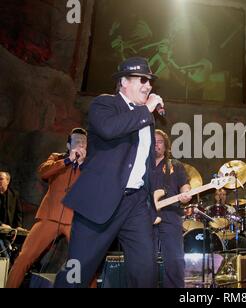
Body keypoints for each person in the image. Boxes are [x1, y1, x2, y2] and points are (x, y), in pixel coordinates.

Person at [54, 57, 164, 288]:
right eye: (142, 79)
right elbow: (109, 129)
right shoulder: (104, 104)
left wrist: (150, 206)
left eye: (150, 81)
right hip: (101, 200)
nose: (148, 86)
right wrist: (147, 110)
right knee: (77, 271)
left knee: (146, 270)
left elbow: (145, 164)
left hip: (135, 204)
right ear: (124, 81)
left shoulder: (146, 118)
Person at [5, 128, 87, 288]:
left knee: (85, 262)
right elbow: (43, 172)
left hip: (75, 221)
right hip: (50, 217)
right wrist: (67, 161)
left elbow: (96, 186)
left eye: (84, 142)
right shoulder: (57, 158)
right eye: (77, 141)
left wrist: (83, 165)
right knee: (24, 258)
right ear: (69, 145)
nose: (81, 145)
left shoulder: (90, 166)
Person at [152, 129, 191, 288]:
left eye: (159, 141)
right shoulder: (141, 165)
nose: (156, 144)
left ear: (166, 145)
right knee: (144, 261)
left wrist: (186, 195)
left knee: (174, 261)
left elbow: (185, 186)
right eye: (153, 141)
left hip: (170, 216)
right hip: (145, 217)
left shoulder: (174, 165)